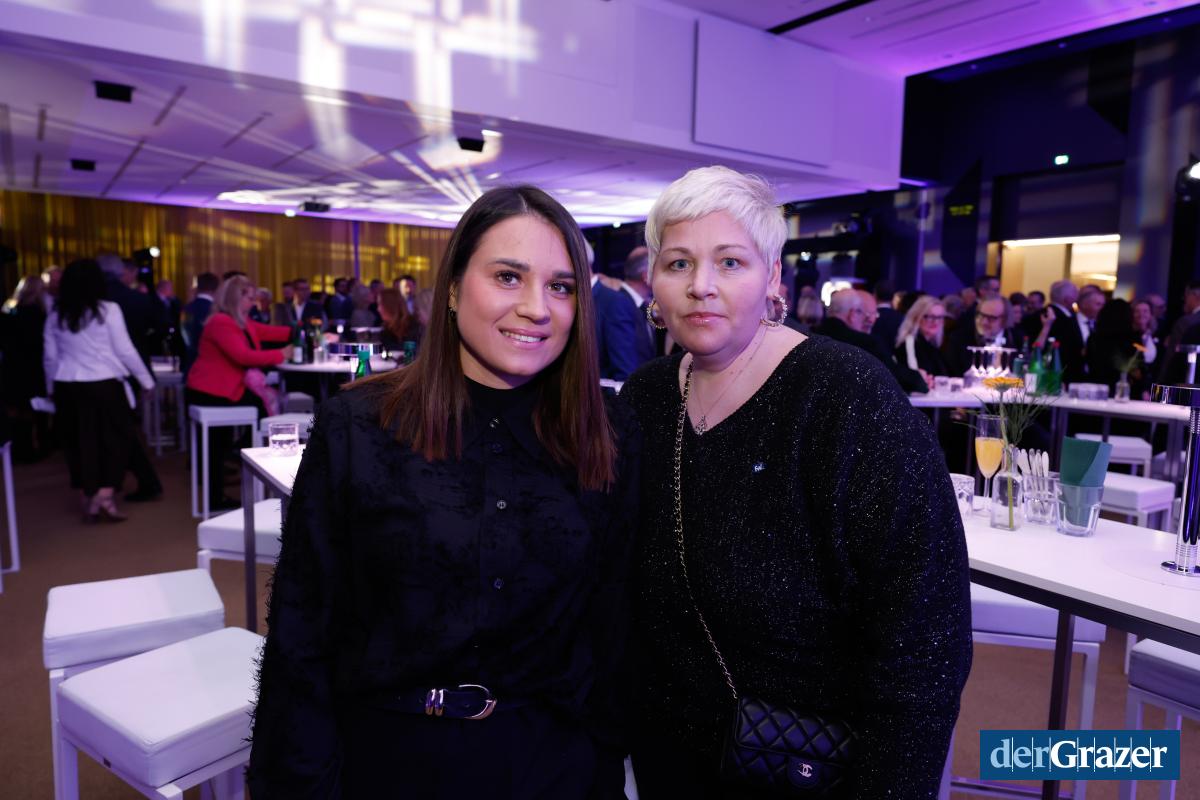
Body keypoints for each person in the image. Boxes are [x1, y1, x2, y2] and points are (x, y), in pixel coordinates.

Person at [248, 185, 640, 798]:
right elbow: (304, 629)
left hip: (553, 764)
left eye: (561, 287)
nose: (536, 307)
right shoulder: (360, 425)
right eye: (508, 277)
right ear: (454, 288)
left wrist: (601, 764)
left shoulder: (609, 432)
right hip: (391, 759)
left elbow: (614, 627)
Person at [621, 166, 971, 798]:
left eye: (730, 262)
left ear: (773, 278)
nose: (701, 286)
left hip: (802, 766)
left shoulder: (846, 396)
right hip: (666, 754)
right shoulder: (646, 398)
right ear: (654, 281)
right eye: (678, 264)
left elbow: (923, 639)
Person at [43, 259, 154, 522]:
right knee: (118, 438)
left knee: (79, 443)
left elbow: (50, 357)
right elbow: (125, 350)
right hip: (104, 384)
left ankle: (89, 496)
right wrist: (146, 381)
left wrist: (51, 389)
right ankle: (104, 494)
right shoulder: (109, 310)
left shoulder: (56, 314)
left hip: (68, 385)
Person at [185, 275, 292, 511]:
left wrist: (299, 331)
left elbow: (271, 332)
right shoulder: (221, 322)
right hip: (210, 391)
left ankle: (247, 458)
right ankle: (250, 462)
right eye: (250, 298)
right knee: (261, 409)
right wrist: (281, 354)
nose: (253, 303)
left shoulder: (240, 321)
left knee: (261, 408)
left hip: (222, 389)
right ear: (236, 298)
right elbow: (243, 357)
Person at [815, 288, 929, 393]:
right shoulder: (866, 343)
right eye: (862, 313)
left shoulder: (811, 336)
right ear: (852, 314)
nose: (869, 320)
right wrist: (919, 379)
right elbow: (894, 378)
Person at [1, 275, 49, 461]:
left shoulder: (9, 312)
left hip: (12, 367)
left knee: (15, 409)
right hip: (32, 367)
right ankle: (31, 448)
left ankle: (17, 449)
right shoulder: (40, 315)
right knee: (31, 408)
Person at [943, 295, 1020, 377]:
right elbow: (951, 375)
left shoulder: (1018, 340)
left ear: (1005, 319)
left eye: (991, 318)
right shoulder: (959, 339)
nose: (984, 322)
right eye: (981, 315)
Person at [894, 294, 951, 376]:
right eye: (930, 317)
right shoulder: (909, 342)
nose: (935, 322)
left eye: (939, 317)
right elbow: (915, 378)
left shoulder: (933, 346)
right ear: (916, 317)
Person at [181, 271, 219, 372]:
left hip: (189, 359)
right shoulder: (216, 310)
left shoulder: (186, 309)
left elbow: (184, 332)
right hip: (210, 361)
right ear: (215, 289)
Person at [377, 287, 419, 356]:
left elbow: (411, 355)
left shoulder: (413, 326)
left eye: (380, 304)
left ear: (390, 305)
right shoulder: (386, 330)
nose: (378, 309)